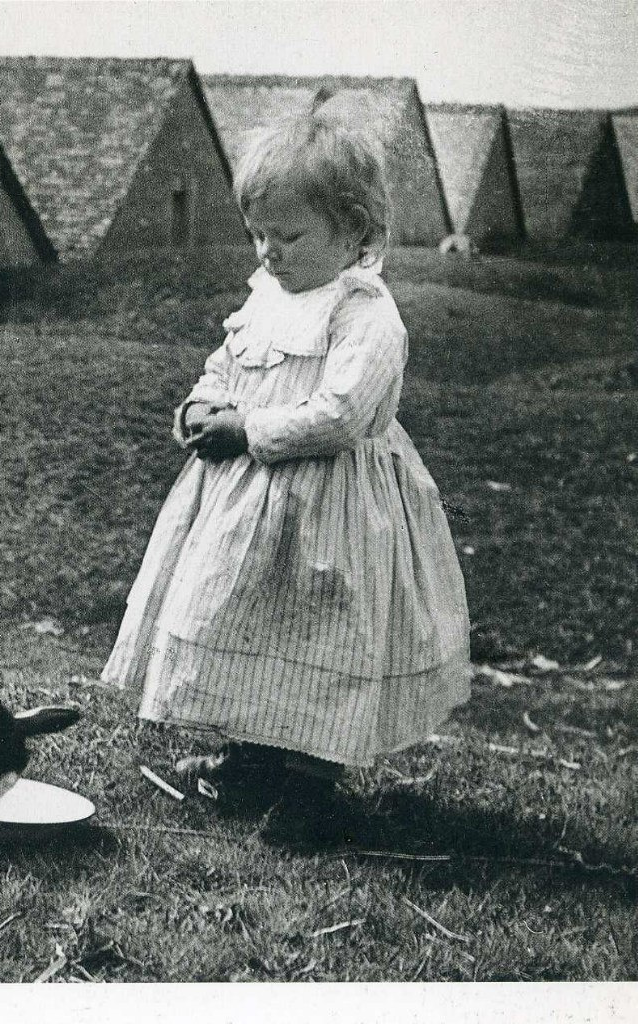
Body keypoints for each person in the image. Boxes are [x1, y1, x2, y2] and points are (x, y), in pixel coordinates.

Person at [102, 97, 471, 840]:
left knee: (318, 633)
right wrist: (202, 407)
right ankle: (250, 761)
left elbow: (342, 414)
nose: (269, 252)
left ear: (355, 231)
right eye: (259, 234)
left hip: (331, 504)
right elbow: (226, 363)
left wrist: (249, 429)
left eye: (290, 236)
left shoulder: (364, 315)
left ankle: (309, 787)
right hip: (247, 504)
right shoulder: (266, 295)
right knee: (248, 621)